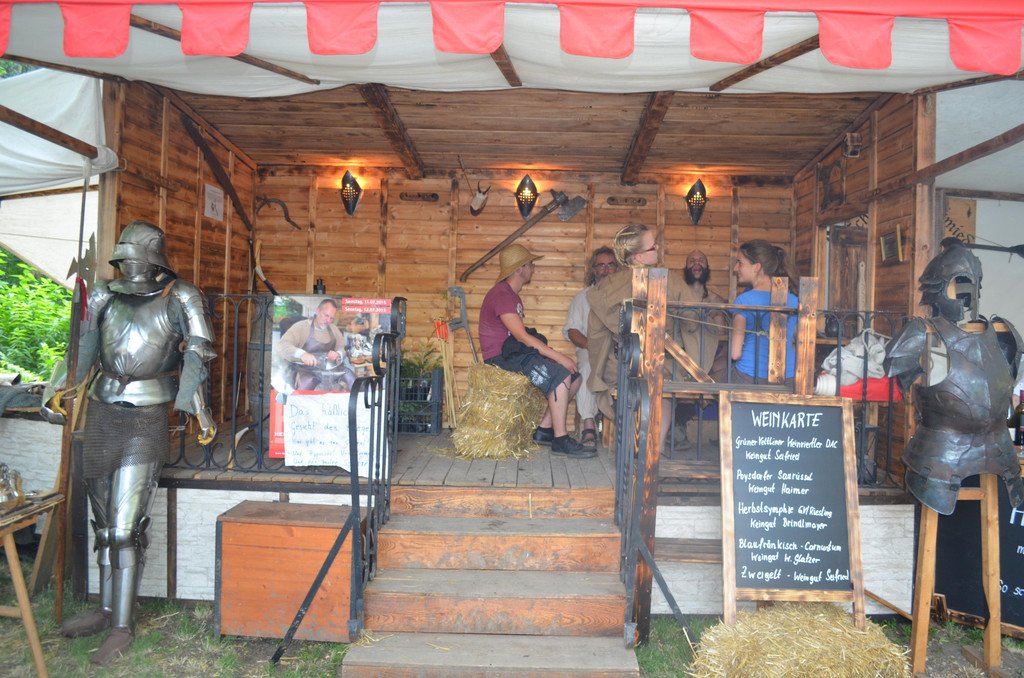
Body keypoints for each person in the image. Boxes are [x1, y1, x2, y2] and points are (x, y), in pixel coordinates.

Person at [43, 220, 217, 664]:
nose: (127, 264)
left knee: (124, 528)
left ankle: (122, 624)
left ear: (152, 257)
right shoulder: (104, 294)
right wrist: (57, 389)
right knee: (103, 526)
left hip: (146, 413)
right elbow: (82, 348)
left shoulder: (180, 295)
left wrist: (197, 408)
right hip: (102, 407)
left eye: (133, 256)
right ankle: (104, 610)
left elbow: (197, 354)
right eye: (123, 257)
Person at [587, 224, 719, 421]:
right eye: (653, 246)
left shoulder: (604, 287)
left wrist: (603, 372)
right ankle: (655, 442)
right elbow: (693, 320)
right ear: (639, 257)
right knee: (664, 391)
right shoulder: (668, 280)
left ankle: (632, 436)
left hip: (618, 369)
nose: (657, 247)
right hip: (661, 367)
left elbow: (596, 335)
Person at [479, 243, 596, 458]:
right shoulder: (502, 295)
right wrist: (559, 357)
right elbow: (522, 337)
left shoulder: (511, 295)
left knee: (574, 377)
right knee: (561, 375)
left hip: (515, 354)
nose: (533, 269)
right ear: (519, 269)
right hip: (501, 359)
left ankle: (544, 430)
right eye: (530, 265)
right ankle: (560, 440)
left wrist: (552, 355)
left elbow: (520, 339)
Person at [563, 247, 619, 448]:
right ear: (593, 270)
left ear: (617, 268)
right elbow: (572, 331)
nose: (606, 270)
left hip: (618, 352)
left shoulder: (625, 297)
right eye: (601, 265)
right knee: (587, 367)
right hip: (589, 350)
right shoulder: (582, 298)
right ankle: (588, 423)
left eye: (610, 265)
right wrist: (593, 346)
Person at [730, 239, 799, 384]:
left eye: (740, 263)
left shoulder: (743, 301)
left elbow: (735, 354)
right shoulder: (794, 300)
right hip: (788, 377)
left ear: (757, 267)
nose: (735, 268)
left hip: (749, 376)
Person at [275, 298, 355, 391]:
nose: (328, 320)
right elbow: (282, 345)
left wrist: (338, 354)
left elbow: (342, 348)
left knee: (350, 378)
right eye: (326, 315)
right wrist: (302, 354)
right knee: (308, 382)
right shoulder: (301, 327)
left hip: (330, 371)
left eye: (331, 318)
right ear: (317, 311)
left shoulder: (334, 329)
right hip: (306, 370)